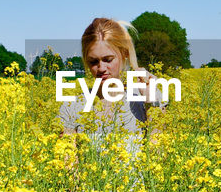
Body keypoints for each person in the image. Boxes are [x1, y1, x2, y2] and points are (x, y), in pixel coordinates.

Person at [58, 17, 169, 162]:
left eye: (108, 60)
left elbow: (158, 161)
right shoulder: (72, 107)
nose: (101, 68)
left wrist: (151, 103)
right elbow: (67, 170)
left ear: (124, 54)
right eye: (93, 62)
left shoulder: (148, 99)